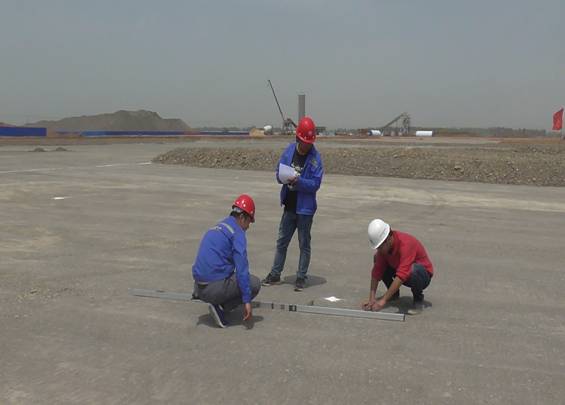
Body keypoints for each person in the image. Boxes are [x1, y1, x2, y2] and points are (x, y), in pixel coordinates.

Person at [262, 116, 324, 291]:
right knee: (282, 241)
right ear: (298, 138)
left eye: (309, 143)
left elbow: (315, 184)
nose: (307, 145)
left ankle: (301, 277)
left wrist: (300, 182)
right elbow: (278, 173)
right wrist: (283, 178)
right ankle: (275, 274)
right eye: (304, 142)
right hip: (289, 206)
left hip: (305, 210)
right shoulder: (289, 151)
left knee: (304, 244)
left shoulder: (315, 159)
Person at [192, 194, 261, 328]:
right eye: (249, 222)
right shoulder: (237, 233)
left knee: (226, 270)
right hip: (213, 288)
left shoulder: (219, 226)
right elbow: (242, 270)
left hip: (198, 286)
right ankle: (221, 308)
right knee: (254, 283)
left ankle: (213, 299)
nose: (248, 226)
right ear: (242, 217)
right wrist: (247, 301)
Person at [362, 219, 434, 315]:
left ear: (388, 239)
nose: (379, 250)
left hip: (422, 275)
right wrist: (372, 298)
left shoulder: (406, 244)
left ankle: (418, 300)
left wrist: (383, 301)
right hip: (401, 270)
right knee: (377, 258)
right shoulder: (384, 248)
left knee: (413, 270)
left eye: (380, 247)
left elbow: (402, 275)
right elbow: (377, 271)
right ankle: (393, 294)